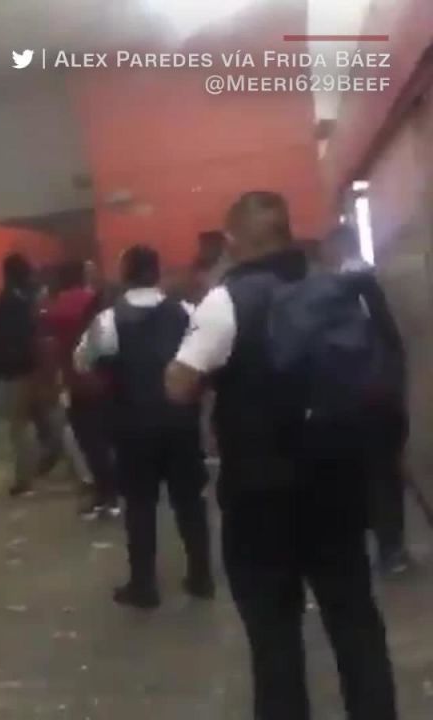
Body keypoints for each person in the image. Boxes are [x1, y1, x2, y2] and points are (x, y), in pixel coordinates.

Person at [165, 192, 397, 720]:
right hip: (337, 486)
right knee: (355, 620)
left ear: (232, 241)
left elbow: (179, 387)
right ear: (288, 233)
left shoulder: (227, 301)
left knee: (274, 640)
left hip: (260, 498)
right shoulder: (332, 285)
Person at [75, 246, 212, 607]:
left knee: (139, 504)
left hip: (133, 426)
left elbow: (82, 361)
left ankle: (144, 586)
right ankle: (201, 577)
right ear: (157, 272)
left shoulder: (108, 320)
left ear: (125, 273)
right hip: (181, 422)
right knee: (189, 502)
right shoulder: (186, 311)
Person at [321, 225, 413, 575]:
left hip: (356, 396)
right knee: (385, 472)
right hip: (386, 393)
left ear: (336, 249)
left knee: (366, 474)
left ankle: (376, 549)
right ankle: (393, 548)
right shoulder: (383, 281)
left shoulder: (343, 289)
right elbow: (396, 341)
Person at [0, 253, 62, 496]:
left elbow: (1, 339)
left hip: (17, 372)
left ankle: (24, 481)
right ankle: (57, 456)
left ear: (6, 274)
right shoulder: (29, 301)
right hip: (32, 369)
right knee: (42, 419)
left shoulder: (3, 302)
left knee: (19, 428)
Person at [44, 260, 118, 519]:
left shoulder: (56, 306)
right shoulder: (97, 301)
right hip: (105, 379)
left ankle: (105, 494)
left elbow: (51, 344)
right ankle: (111, 492)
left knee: (90, 441)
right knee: (104, 439)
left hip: (77, 381)